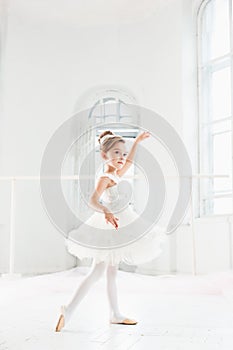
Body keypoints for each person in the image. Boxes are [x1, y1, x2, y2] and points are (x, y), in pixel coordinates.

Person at [55, 130, 168, 331]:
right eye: (116, 153)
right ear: (104, 155)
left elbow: (130, 163)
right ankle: (70, 308)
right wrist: (105, 210)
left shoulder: (116, 173)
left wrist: (137, 143)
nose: (121, 158)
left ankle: (113, 313)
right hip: (109, 227)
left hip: (117, 224)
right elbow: (92, 200)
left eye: (122, 153)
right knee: (98, 272)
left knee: (108, 272)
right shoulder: (106, 176)